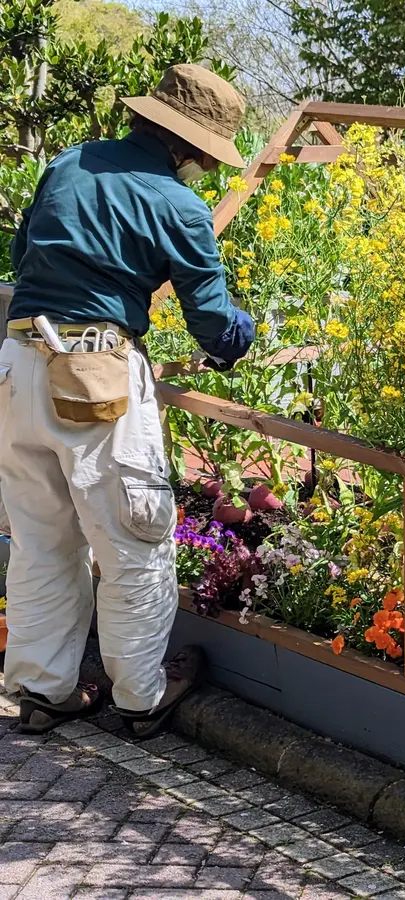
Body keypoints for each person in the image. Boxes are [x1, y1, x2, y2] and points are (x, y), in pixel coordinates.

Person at [0, 64, 256, 736]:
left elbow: (24, 253)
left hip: (17, 362)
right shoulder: (179, 205)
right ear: (193, 147)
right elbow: (212, 322)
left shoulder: (69, 163)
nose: (207, 167)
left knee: (40, 541)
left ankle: (42, 690)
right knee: (135, 540)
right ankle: (142, 697)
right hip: (96, 377)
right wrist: (243, 336)